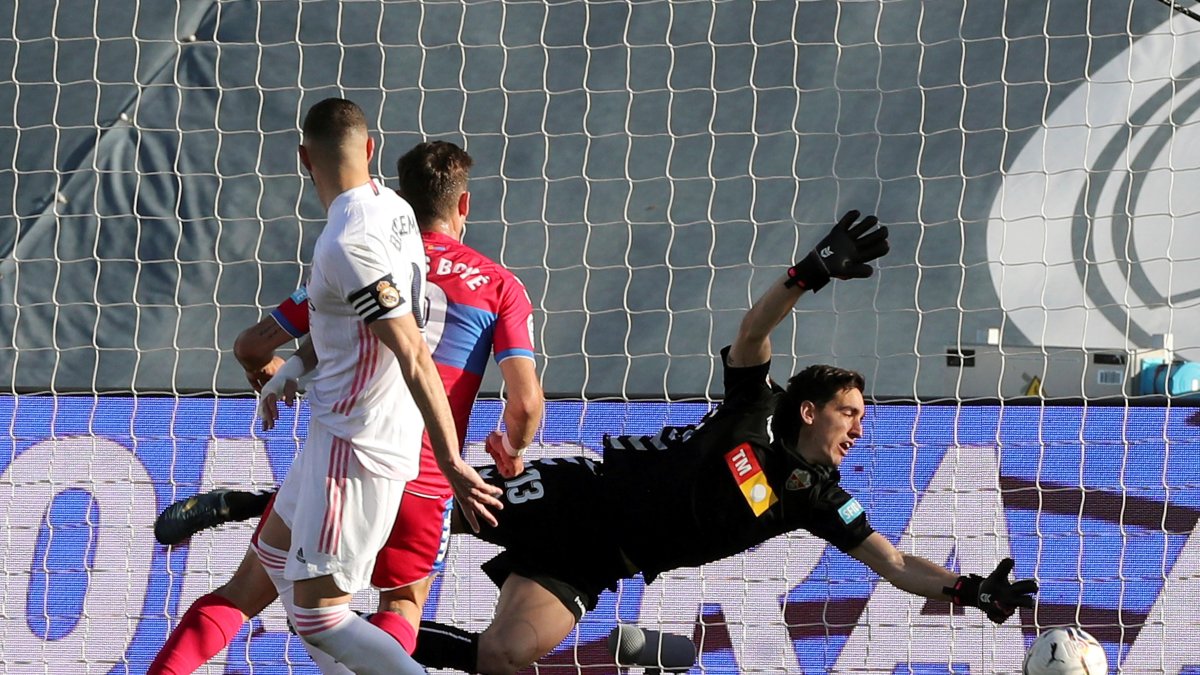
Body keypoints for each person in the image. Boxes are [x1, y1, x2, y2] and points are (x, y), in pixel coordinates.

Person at [406, 211, 1038, 674]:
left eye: (861, 417)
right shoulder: (755, 406)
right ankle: (322, 578)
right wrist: (808, 273)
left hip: (600, 562)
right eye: (848, 412)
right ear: (809, 410)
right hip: (579, 497)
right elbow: (753, 330)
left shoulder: (817, 499)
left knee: (502, 655)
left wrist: (970, 589)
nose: (859, 427)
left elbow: (896, 565)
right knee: (403, 519)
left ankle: (352, 631)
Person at [147, 139, 542, 674]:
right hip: (423, 472)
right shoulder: (499, 286)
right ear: (463, 205)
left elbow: (255, 343)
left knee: (246, 594)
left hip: (344, 450)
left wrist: (281, 376)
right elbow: (525, 402)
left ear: (401, 197)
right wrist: (511, 448)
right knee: (396, 606)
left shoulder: (366, 253)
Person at [252, 98, 502, 674]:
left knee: (320, 616)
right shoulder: (393, 209)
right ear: (370, 150)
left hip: (358, 443)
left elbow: (412, 348)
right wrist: (294, 370)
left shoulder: (348, 244)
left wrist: (452, 461)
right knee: (273, 554)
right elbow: (346, 324)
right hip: (333, 428)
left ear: (301, 160)